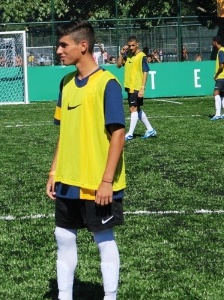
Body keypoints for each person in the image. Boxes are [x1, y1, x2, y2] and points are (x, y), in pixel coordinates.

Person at [46, 19, 126, 300]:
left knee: (103, 240)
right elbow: (63, 132)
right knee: (64, 237)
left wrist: (106, 181)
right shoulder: (66, 83)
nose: (58, 50)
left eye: (63, 45)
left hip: (97, 182)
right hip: (68, 178)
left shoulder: (108, 84)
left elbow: (118, 134)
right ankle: (64, 296)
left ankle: (110, 296)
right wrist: (54, 171)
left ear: (83, 46)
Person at [116, 36, 156, 141]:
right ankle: (150, 129)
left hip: (137, 86)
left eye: (133, 45)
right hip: (130, 86)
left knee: (132, 109)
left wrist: (142, 87)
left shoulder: (141, 56)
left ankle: (130, 133)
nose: (131, 47)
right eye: (129, 45)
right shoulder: (127, 55)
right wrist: (121, 54)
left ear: (137, 44)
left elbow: (146, 71)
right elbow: (118, 65)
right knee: (137, 109)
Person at [210, 36, 224, 120]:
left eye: (212, 42)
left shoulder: (221, 51)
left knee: (216, 93)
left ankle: (218, 114)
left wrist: (216, 74)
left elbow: (222, 65)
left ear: (215, 42)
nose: (212, 43)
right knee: (222, 94)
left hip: (221, 76)